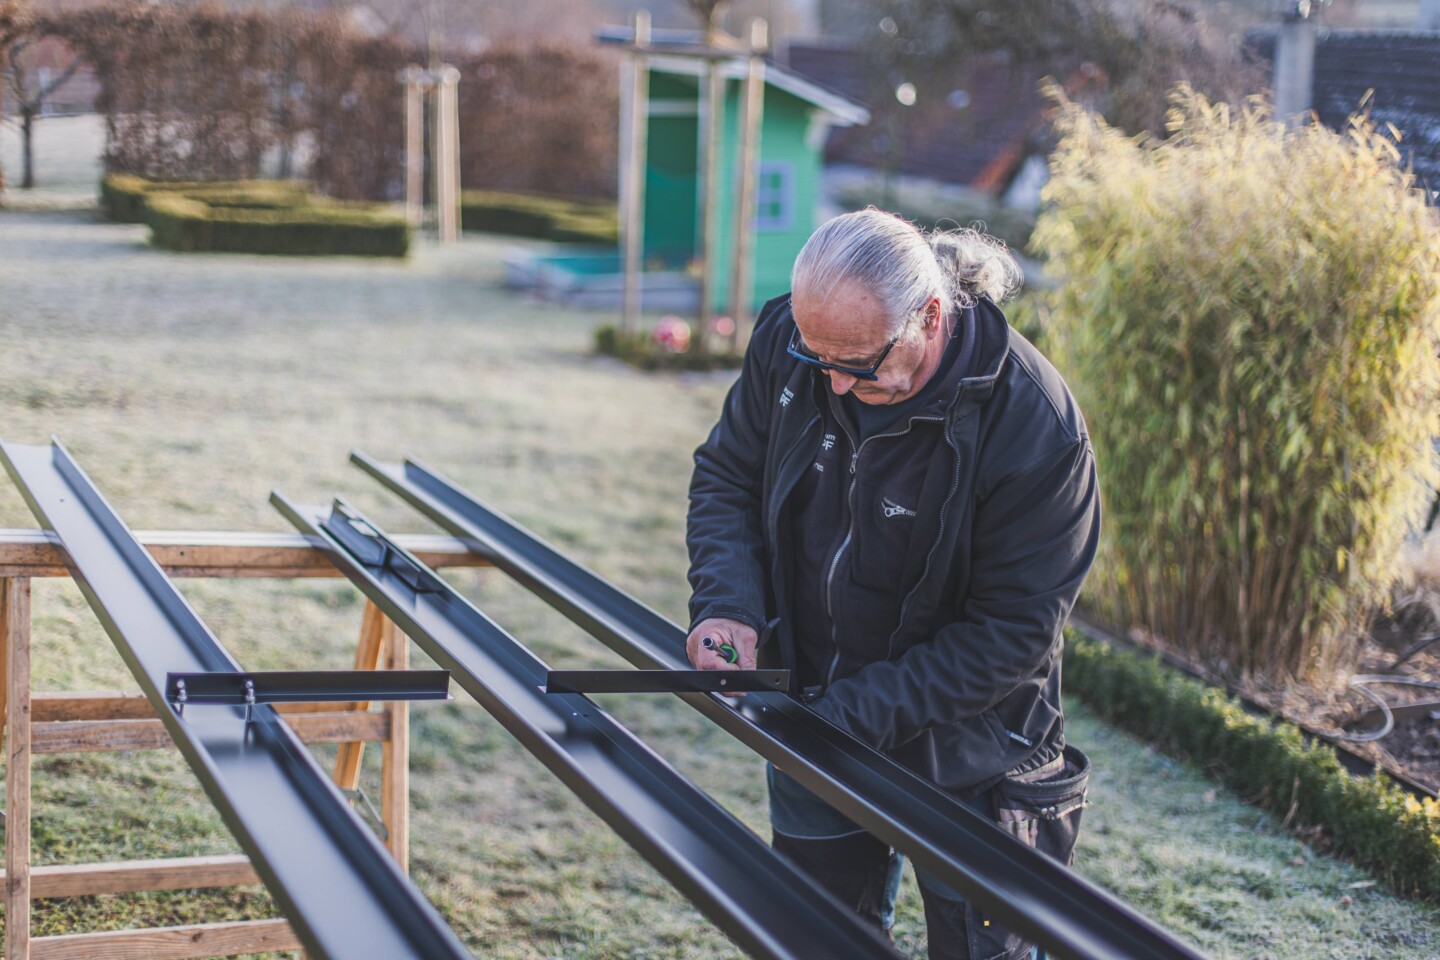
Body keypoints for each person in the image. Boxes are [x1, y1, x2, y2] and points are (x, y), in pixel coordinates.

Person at [684, 209, 1100, 960]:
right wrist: (729, 606)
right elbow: (727, 478)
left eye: (859, 363)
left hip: (973, 757)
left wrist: (840, 714)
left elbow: (1010, 634)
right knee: (814, 940)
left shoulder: (1036, 429)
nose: (836, 384)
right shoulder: (797, 342)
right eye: (819, 361)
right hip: (816, 719)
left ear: (930, 317)